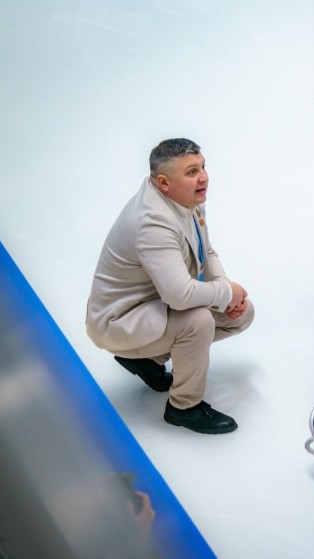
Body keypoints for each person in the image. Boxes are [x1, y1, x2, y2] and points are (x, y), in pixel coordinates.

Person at [86, 138, 254, 435]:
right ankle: (184, 407)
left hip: (154, 304)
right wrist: (226, 293)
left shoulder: (186, 198)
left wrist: (224, 289)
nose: (203, 177)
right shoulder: (152, 222)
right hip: (120, 320)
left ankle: (147, 359)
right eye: (191, 172)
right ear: (164, 182)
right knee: (197, 320)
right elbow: (179, 295)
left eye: (202, 167)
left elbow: (207, 252)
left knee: (240, 313)